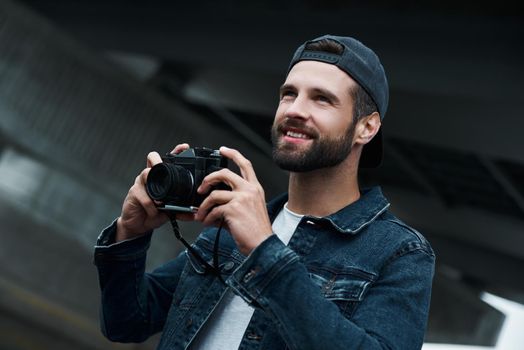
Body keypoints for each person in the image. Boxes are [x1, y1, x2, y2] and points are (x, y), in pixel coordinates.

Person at [94, 35, 435, 349]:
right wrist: (129, 234)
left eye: (322, 99)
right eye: (289, 93)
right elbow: (126, 323)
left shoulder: (399, 253)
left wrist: (264, 251)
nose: (294, 110)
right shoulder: (226, 234)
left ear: (367, 127)